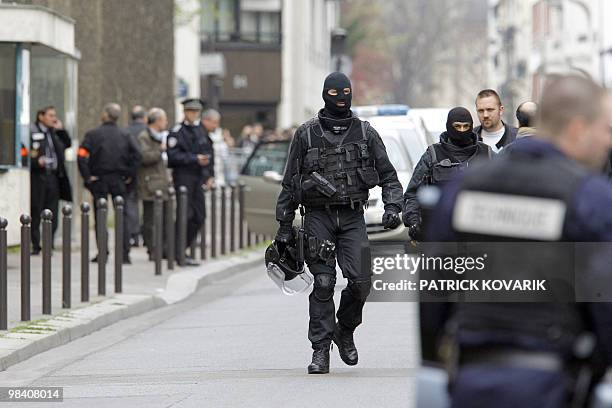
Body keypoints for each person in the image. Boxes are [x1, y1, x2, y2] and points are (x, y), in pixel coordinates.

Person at [428, 75, 612, 407]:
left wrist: (441, 373)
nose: (607, 142)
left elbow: (434, 292)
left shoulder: (463, 188)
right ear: (577, 129)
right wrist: (591, 378)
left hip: (473, 382)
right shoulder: (589, 196)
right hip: (553, 384)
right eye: (606, 130)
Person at [275, 72, 403, 374]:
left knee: (360, 283)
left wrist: (392, 206)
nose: (341, 97)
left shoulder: (365, 133)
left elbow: (388, 175)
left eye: (346, 91)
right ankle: (320, 351)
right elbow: (290, 182)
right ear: (324, 95)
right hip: (318, 217)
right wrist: (283, 223)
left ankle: (344, 330)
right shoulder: (306, 134)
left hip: (352, 217)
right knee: (323, 283)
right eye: (335, 93)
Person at [403, 107, 492, 242]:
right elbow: (413, 193)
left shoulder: (487, 154)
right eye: (457, 126)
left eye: (466, 126)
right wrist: (414, 221)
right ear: (449, 127)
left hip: (478, 232)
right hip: (441, 231)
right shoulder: (433, 155)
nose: (462, 131)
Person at [78, 103, 142, 264]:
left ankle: (103, 253)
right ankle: (124, 254)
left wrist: (87, 176)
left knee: (101, 216)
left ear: (105, 115)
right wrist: (129, 175)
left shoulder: (93, 135)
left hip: (99, 179)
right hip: (119, 179)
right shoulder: (125, 135)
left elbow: (81, 155)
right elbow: (137, 155)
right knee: (122, 216)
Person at [167, 99, 214, 266]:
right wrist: (194, 159)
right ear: (185, 112)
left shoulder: (201, 131)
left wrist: (209, 175)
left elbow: (209, 152)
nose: (194, 115)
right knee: (184, 215)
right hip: (183, 177)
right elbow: (172, 156)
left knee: (199, 216)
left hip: (198, 178)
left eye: (196, 112)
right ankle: (177, 252)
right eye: (191, 111)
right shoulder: (177, 131)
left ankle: (180, 248)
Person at [29, 106, 73, 254]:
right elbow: (26, 155)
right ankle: (36, 245)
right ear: (41, 116)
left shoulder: (54, 133)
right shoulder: (33, 131)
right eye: (50, 115)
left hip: (54, 178)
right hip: (38, 177)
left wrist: (61, 129)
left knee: (53, 211)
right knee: (36, 210)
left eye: (55, 115)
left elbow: (68, 144)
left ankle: (50, 243)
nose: (53, 118)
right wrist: (36, 162)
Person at [137, 108, 171, 259]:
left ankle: (163, 248)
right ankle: (152, 249)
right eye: (164, 119)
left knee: (164, 217)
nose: (166, 122)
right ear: (157, 121)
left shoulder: (162, 136)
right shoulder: (144, 137)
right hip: (150, 185)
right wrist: (160, 150)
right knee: (150, 219)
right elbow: (144, 157)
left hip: (162, 184)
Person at [123, 105, 147, 247]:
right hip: (147, 173)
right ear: (143, 117)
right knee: (148, 205)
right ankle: (145, 234)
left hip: (131, 173)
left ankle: (133, 234)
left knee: (131, 203)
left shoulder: (126, 131)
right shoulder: (148, 131)